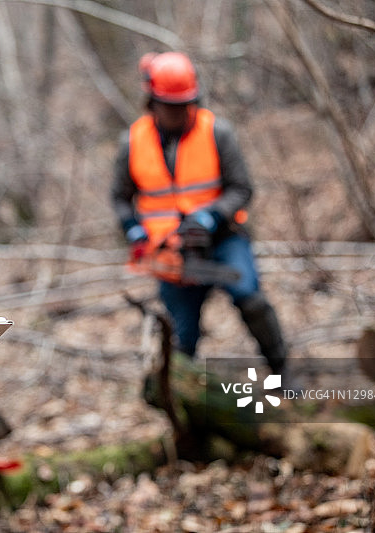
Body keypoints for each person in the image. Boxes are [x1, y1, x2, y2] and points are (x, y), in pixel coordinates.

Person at [111, 51, 289, 378]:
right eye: (170, 106)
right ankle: (181, 399)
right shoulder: (132, 142)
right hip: (170, 251)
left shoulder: (217, 133)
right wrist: (133, 230)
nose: (178, 113)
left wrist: (212, 216)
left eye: (183, 105)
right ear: (152, 101)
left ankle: (283, 372)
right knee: (182, 334)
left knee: (251, 299)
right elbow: (120, 198)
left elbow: (242, 188)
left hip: (222, 241)